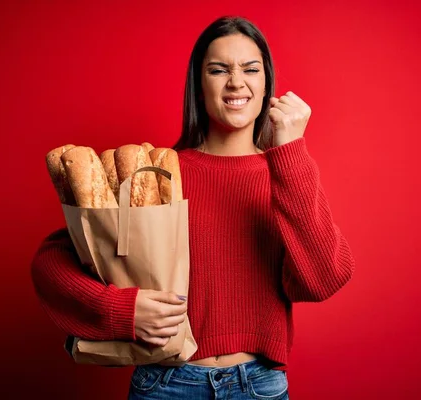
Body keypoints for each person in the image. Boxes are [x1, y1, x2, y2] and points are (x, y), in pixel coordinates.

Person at [31, 15, 355, 399]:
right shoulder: (160, 175)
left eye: (250, 69)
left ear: (266, 82)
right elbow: (51, 260)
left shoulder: (286, 172)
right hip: (167, 385)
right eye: (219, 70)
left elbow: (323, 278)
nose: (236, 81)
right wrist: (121, 310)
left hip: (259, 387)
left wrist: (289, 150)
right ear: (199, 87)